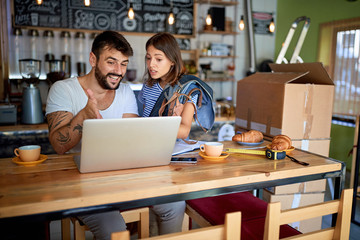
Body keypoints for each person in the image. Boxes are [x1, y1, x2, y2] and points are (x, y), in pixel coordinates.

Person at [45, 31, 183, 240]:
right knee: (114, 229)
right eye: (111, 62)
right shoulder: (63, 90)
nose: (118, 71)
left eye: (124, 64)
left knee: (175, 204)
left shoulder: (126, 91)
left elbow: (135, 138)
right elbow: (58, 145)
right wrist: (84, 116)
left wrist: (167, 119)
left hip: (124, 176)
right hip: (80, 182)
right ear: (93, 59)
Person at [138, 32, 215, 235]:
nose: (151, 64)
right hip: (145, 156)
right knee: (153, 211)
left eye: (158, 59)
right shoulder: (147, 87)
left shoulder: (187, 90)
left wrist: (152, 126)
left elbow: (184, 130)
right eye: (148, 57)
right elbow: (137, 121)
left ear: (172, 61)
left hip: (169, 160)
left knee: (171, 207)